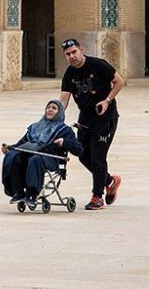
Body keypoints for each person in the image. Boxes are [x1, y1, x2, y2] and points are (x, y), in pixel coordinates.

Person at [59, 39, 125, 211]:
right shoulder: (69, 74)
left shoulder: (98, 65)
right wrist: (55, 117)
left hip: (105, 118)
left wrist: (107, 100)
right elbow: (64, 99)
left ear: (81, 49)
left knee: (98, 156)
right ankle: (110, 181)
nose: (72, 56)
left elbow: (120, 82)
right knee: (82, 154)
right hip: (85, 120)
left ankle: (97, 197)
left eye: (74, 52)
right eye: (68, 54)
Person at [1, 99, 83, 206]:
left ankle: (32, 194)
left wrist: (64, 142)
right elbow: (21, 144)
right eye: (48, 107)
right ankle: (18, 192)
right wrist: (10, 148)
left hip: (50, 158)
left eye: (54, 108)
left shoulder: (64, 130)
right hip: (30, 155)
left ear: (60, 112)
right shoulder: (35, 127)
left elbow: (79, 150)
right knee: (13, 157)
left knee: (35, 159)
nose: (50, 110)